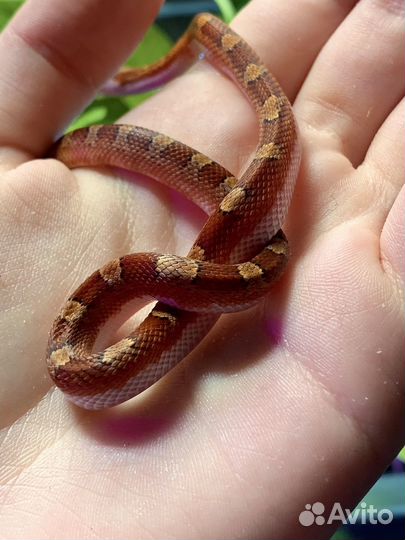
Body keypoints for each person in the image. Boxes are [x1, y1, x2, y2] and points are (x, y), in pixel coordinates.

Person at [0, 0, 403, 538]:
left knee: (279, 132)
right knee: (277, 135)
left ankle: (204, 30)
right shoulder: (76, 368)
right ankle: (202, 30)